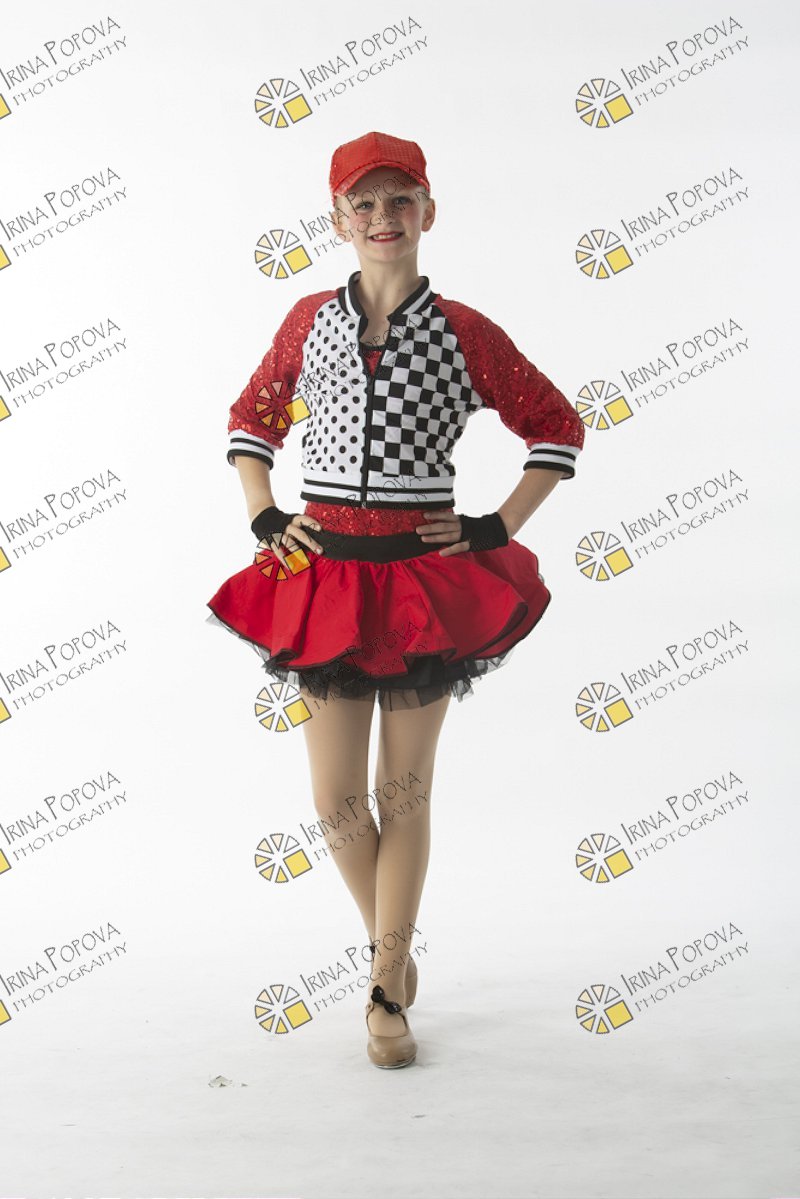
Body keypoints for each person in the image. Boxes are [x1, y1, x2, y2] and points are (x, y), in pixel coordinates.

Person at [206, 131, 585, 1068]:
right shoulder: (307, 320)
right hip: (325, 578)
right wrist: (265, 515)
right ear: (338, 219)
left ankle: (384, 984)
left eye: (401, 199)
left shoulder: (464, 331)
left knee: (400, 790)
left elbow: (556, 427)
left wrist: (496, 526)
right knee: (336, 800)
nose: (384, 217)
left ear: (429, 212)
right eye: (364, 203)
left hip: (422, 584)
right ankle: (394, 941)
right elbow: (252, 420)